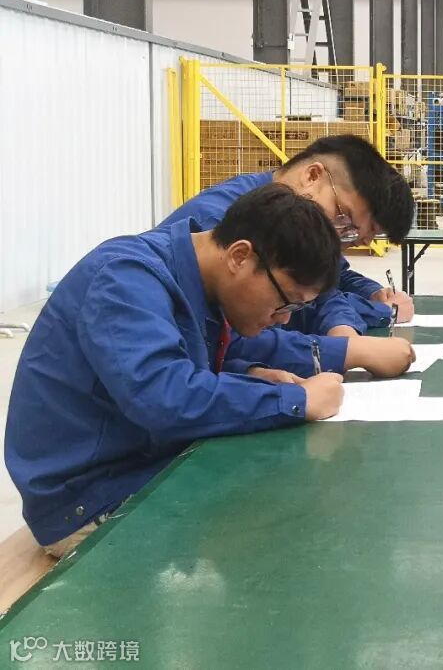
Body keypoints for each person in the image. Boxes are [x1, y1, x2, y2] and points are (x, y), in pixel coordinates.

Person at [6, 185, 350, 556]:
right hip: (90, 500)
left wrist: (250, 373)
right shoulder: (124, 280)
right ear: (240, 256)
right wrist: (295, 399)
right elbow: (164, 397)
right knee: (281, 523)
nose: (283, 319)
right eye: (286, 303)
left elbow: (179, 366)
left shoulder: (196, 281)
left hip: (139, 462)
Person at [162, 134, 416, 331]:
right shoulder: (220, 221)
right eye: (344, 217)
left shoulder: (291, 219)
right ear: (312, 176)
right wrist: (376, 315)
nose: (346, 237)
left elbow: (330, 280)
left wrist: (372, 293)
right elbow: (271, 315)